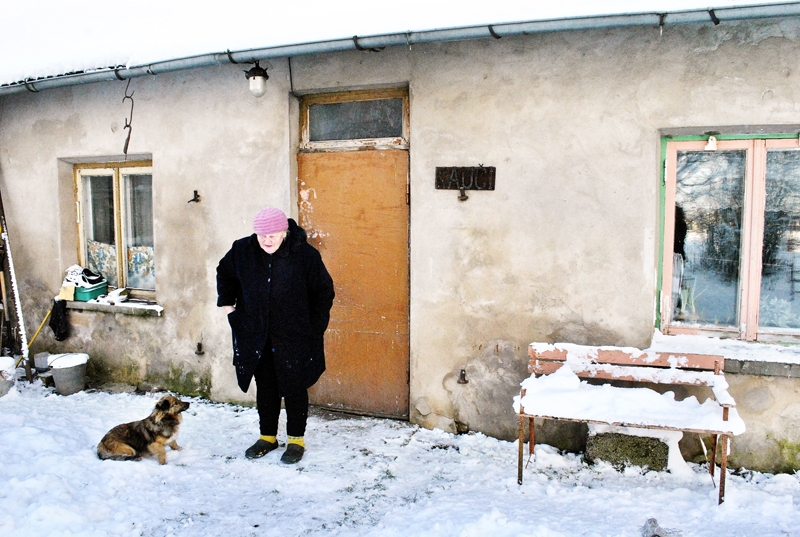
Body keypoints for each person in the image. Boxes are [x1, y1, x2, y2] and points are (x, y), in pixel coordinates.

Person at [216, 207, 335, 463]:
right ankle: (267, 437)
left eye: (272, 235)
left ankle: (296, 440)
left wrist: (314, 329)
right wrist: (230, 309)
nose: (267, 240)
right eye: (261, 235)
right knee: (266, 386)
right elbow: (224, 273)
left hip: (295, 336)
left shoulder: (304, 255)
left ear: (284, 231)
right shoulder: (242, 251)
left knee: (294, 386)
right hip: (256, 334)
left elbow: (323, 293)